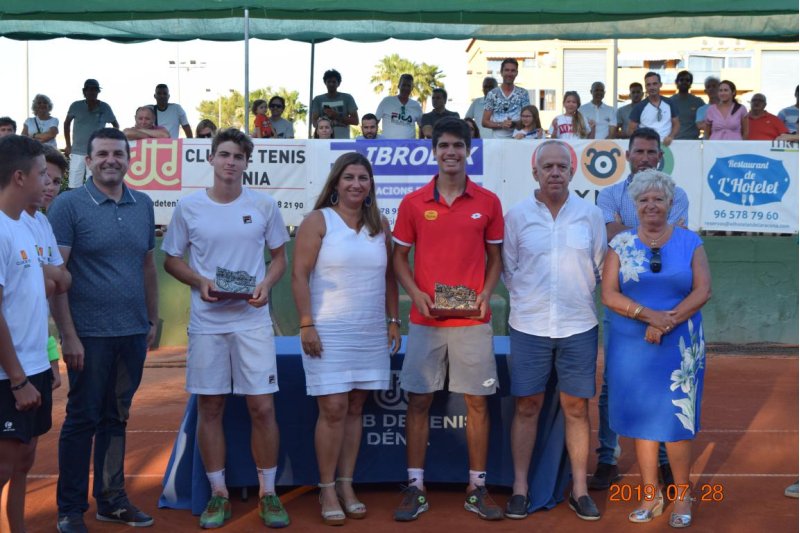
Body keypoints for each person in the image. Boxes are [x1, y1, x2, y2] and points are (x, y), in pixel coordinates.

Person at [162, 128, 290, 529]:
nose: (230, 162)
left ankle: (268, 494)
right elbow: (171, 260)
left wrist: (266, 286)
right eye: (224, 154)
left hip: (252, 321)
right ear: (212, 159)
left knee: (262, 407)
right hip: (207, 324)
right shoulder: (189, 207)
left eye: (238, 156)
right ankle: (219, 494)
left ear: (246, 163)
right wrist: (199, 282)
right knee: (211, 407)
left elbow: (279, 259)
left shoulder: (265, 206)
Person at [392, 118, 504, 522]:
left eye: (458, 145)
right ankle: (415, 486)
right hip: (426, 321)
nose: (451, 152)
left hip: (473, 320)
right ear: (433, 151)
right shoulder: (413, 203)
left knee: (477, 402)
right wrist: (416, 294)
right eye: (444, 146)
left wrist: (487, 294)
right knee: (419, 400)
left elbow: (495, 259)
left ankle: (477, 486)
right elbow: (398, 258)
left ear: (468, 150)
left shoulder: (488, 202)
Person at [48, 128, 158, 533]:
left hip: (132, 333)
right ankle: (70, 509)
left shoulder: (143, 204)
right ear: (89, 161)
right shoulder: (68, 206)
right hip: (89, 336)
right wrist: (69, 336)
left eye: (118, 153)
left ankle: (111, 501)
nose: (111, 160)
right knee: (82, 419)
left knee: (117, 417)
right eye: (102, 154)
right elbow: (58, 278)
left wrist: (152, 319)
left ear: (129, 159)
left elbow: (147, 266)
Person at [292, 152, 401, 525]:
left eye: (363, 178)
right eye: (349, 177)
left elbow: (390, 278)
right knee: (334, 409)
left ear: (371, 185)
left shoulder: (380, 225)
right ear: (336, 182)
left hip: (370, 329)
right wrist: (306, 323)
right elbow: (299, 276)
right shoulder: (317, 221)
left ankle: (346, 483)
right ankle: (326, 487)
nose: (356, 184)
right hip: (328, 329)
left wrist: (393, 321)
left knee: (355, 408)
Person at [503, 140, 606, 522]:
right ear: (535, 172)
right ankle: (519, 488)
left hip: (578, 325)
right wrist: (529, 302)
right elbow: (508, 270)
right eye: (547, 167)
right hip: (528, 325)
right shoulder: (516, 216)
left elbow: (598, 268)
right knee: (527, 406)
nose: (555, 173)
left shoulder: (590, 215)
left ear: (572, 171)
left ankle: (579, 489)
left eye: (562, 166)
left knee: (576, 408)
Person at [602, 169, 711, 528]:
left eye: (658, 199)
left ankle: (682, 495)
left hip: (679, 345)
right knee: (641, 419)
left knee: (676, 420)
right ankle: (651, 494)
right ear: (635, 205)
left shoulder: (690, 241)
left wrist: (667, 322)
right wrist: (649, 317)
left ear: (670, 203)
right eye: (644, 200)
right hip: (630, 343)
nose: (651, 205)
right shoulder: (619, 245)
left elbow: (702, 290)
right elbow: (609, 294)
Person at [591, 127, 688, 492]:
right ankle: (607, 458)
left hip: (666, 304)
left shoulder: (678, 195)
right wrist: (649, 231)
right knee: (613, 383)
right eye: (639, 151)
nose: (645, 157)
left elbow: (672, 240)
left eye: (652, 152)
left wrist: (636, 232)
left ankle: (663, 461)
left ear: (660, 157)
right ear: (627, 155)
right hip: (620, 301)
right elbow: (616, 235)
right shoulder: (609, 193)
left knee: (663, 380)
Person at [0, 135, 63, 533]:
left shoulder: (27, 225)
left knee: (24, 461)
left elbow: (37, 299)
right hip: (9, 376)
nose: (49, 181)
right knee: (5, 464)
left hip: (33, 365)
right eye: (42, 174)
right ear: (20, 177)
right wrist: (19, 379)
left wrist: (46, 359)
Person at [63, 79, 118, 189]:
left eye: (95, 90)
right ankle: (74, 206)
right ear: (84, 91)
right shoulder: (76, 106)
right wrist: (68, 145)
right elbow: (66, 124)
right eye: (89, 89)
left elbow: (115, 125)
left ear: (98, 92)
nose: (92, 92)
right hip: (77, 151)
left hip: (96, 153)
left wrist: (108, 143)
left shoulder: (105, 107)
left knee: (94, 185)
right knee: (73, 185)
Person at [482, 58, 530, 138]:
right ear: (501, 72)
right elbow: (484, 122)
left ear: (516, 73)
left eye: (513, 70)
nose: (509, 73)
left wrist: (513, 124)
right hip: (498, 143)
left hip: (519, 140)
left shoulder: (523, 93)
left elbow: (528, 119)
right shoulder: (492, 94)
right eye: (507, 70)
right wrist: (501, 124)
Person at [628, 72, 679, 145]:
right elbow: (631, 129)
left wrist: (671, 136)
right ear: (645, 87)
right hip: (647, 146)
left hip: (667, 145)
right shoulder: (639, 107)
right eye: (648, 85)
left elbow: (676, 124)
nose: (652, 87)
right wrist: (641, 140)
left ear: (660, 84)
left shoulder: (670, 103)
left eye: (654, 84)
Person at [311, 69, 359, 139]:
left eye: (334, 82)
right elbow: (314, 122)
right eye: (329, 82)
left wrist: (336, 116)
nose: (331, 84)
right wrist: (324, 129)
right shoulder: (318, 99)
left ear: (338, 83)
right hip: (323, 140)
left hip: (342, 138)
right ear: (325, 83)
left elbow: (355, 121)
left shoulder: (347, 98)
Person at [375, 73, 423, 139]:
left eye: (408, 86)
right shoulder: (387, 101)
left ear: (412, 88)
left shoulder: (416, 105)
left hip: (409, 147)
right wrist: (373, 142)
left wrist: (420, 143)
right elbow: (374, 123)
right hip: (388, 146)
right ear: (399, 86)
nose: (406, 88)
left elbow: (422, 127)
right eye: (403, 85)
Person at [669, 71, 705, 140]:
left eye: (687, 80)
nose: (684, 82)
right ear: (676, 82)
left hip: (693, 142)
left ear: (690, 83)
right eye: (681, 80)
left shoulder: (698, 102)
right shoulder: (669, 102)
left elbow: (708, 121)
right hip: (674, 142)